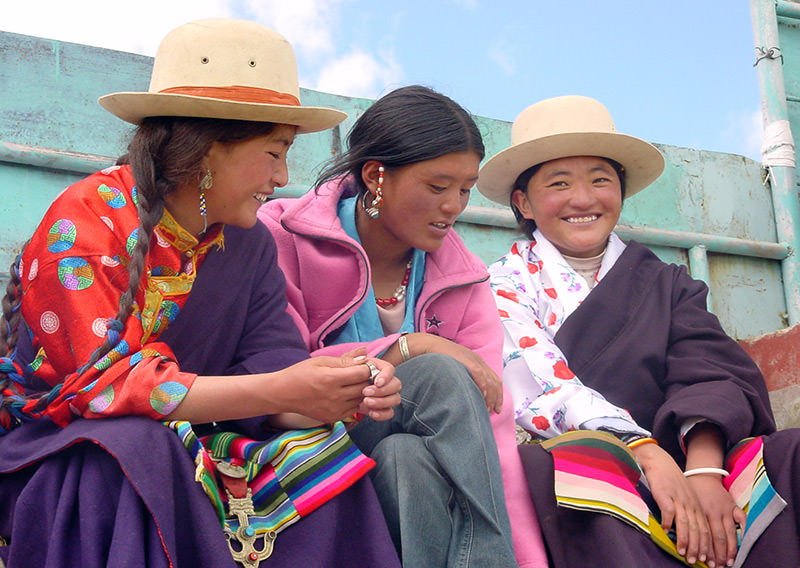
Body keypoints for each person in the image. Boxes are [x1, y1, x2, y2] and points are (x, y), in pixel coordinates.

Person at [0, 18, 405, 568]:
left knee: (321, 452)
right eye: (274, 151)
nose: (283, 175)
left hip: (197, 437)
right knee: (136, 448)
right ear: (207, 148)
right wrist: (280, 390)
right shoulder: (86, 218)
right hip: (59, 442)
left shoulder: (251, 244)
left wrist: (334, 392)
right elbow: (101, 390)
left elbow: (272, 363)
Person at [478, 94, 800, 568]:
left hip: (688, 455)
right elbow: (544, 387)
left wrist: (705, 471)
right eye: (560, 183)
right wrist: (644, 454)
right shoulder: (500, 284)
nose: (584, 199)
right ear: (523, 202)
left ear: (621, 192)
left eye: (600, 180)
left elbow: (710, 371)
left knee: (790, 454)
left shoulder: (665, 283)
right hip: (594, 456)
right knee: (574, 470)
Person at [258, 85, 547, 568]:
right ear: (376, 176)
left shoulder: (465, 278)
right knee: (440, 372)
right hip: (305, 441)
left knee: (405, 460)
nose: (454, 205)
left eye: (465, 189)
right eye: (437, 187)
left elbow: (491, 426)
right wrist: (407, 346)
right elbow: (277, 370)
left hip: (394, 464)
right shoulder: (282, 235)